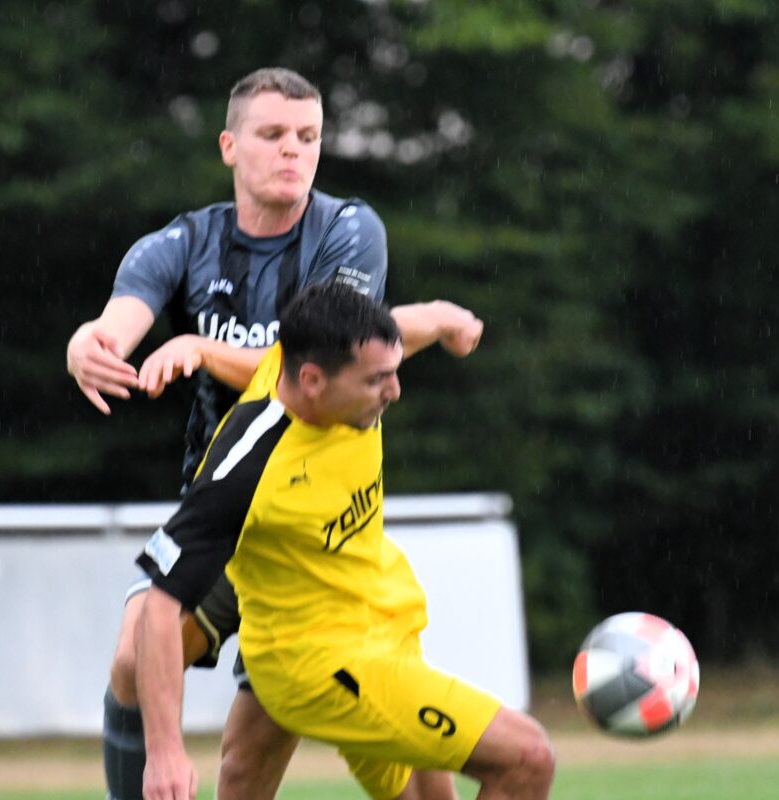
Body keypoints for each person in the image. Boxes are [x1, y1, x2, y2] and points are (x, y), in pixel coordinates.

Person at [67, 66, 461, 799]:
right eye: (274, 134)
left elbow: (319, 365)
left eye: (308, 136)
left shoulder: (348, 231)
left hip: (315, 533)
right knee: (133, 656)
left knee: (272, 771)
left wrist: (202, 350)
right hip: (225, 517)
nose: (294, 151)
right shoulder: (185, 241)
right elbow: (121, 318)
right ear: (229, 145)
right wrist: (89, 344)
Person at [133, 283, 556, 800]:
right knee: (527, 759)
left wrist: (445, 318)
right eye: (378, 380)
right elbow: (159, 607)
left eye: (394, 370)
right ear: (311, 381)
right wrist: (164, 752)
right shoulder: (246, 469)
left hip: (385, 625)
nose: (395, 391)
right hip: (325, 664)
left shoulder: (312, 364)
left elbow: (400, 327)